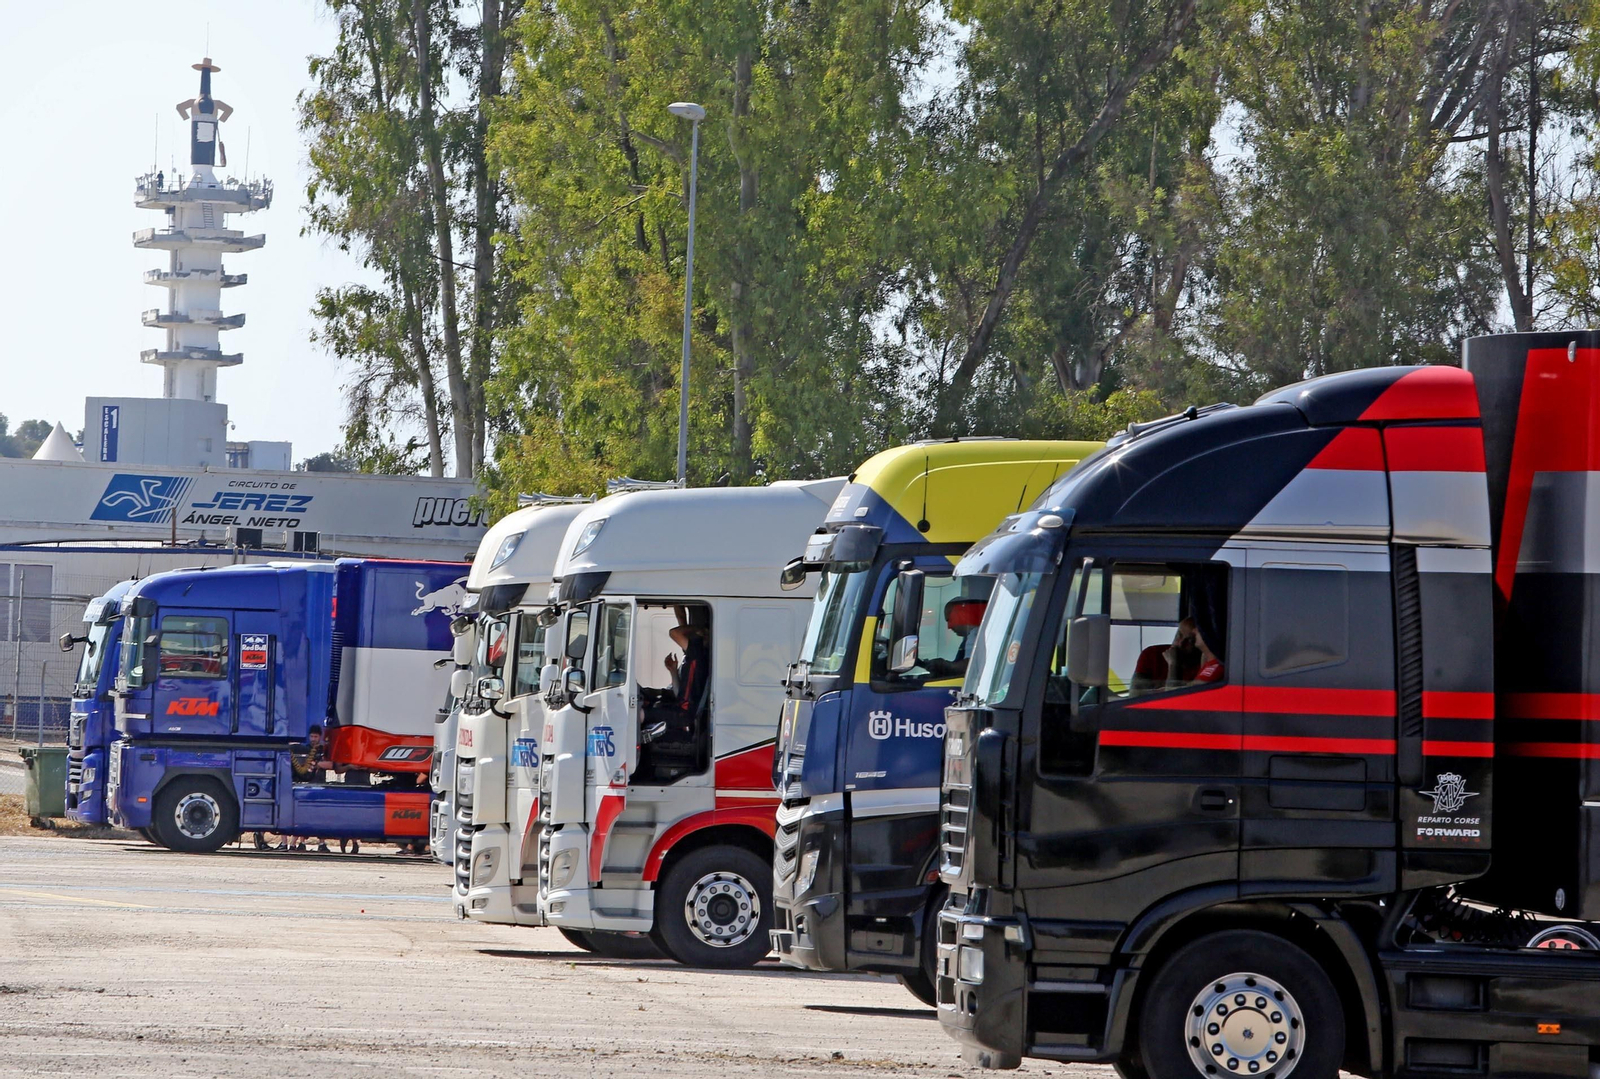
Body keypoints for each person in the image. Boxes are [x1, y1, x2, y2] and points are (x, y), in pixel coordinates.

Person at [923, 597, 986, 679]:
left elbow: (970, 666)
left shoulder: (976, 634)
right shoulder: (967, 639)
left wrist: (944, 666)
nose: (949, 627)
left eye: (950, 620)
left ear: (962, 614)